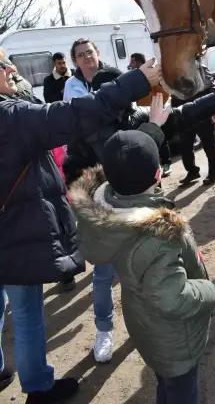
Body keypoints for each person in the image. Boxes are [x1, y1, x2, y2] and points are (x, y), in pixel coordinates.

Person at [0, 57, 160, 401]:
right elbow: (72, 116)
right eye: (2, 66)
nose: (12, 71)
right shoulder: (8, 117)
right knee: (27, 313)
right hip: (13, 235)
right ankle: (39, 389)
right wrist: (136, 81)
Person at [69, 107, 215, 404]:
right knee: (180, 392)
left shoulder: (106, 206)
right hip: (176, 341)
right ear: (159, 173)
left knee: (167, 386)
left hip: (146, 327)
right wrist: (209, 289)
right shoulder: (157, 236)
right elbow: (171, 298)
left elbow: (126, 158)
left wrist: (154, 126)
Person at [63, 37, 125, 363]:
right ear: (76, 61)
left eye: (91, 52)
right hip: (94, 189)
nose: (88, 58)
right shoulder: (73, 90)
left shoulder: (114, 78)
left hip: (128, 186)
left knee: (139, 262)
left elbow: (132, 119)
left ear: (98, 55)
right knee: (102, 271)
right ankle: (104, 329)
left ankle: (146, 321)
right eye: (81, 55)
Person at [171, 66, 215, 186]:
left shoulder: (199, 68)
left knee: (209, 146)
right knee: (185, 148)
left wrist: (201, 104)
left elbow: (212, 89)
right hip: (184, 116)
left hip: (201, 115)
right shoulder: (174, 72)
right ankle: (192, 172)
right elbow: (173, 94)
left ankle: (214, 173)